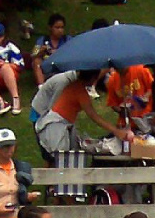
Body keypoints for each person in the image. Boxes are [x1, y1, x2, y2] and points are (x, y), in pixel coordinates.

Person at [35, 69, 132, 201]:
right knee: (63, 161)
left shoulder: (76, 87)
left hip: (66, 124)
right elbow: (94, 116)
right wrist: (116, 131)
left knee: (67, 159)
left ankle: (61, 194)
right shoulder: (79, 91)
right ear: (92, 78)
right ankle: (60, 194)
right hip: (57, 125)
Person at [31, 13, 69, 86]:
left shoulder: (67, 39)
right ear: (50, 28)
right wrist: (41, 51)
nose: (60, 30)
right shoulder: (42, 40)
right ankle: (41, 87)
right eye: (57, 27)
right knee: (36, 61)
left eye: (62, 27)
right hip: (47, 68)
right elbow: (33, 55)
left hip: (63, 67)